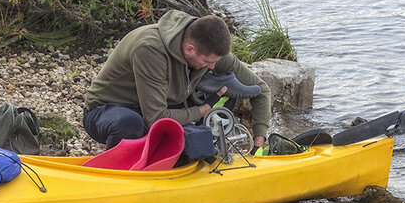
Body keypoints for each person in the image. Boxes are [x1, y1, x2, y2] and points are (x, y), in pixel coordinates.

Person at [83, 10, 272, 152]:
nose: (212, 67)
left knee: (199, 138)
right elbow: (156, 117)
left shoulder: (209, 48)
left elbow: (262, 90)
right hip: (106, 110)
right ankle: (120, 175)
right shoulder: (149, 49)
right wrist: (200, 111)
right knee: (131, 125)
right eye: (208, 62)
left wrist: (259, 143)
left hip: (160, 108)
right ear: (189, 49)